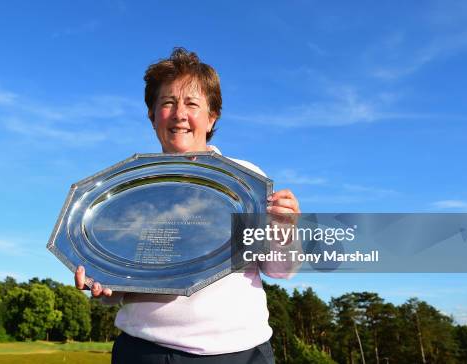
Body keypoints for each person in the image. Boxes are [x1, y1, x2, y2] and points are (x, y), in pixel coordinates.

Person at [75, 47, 301, 364]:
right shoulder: (126, 191)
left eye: (192, 104)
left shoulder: (246, 181)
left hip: (238, 353)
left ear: (211, 118)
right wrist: (105, 286)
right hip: (144, 351)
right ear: (153, 116)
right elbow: (121, 287)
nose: (180, 113)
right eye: (168, 102)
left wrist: (285, 229)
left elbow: (280, 270)